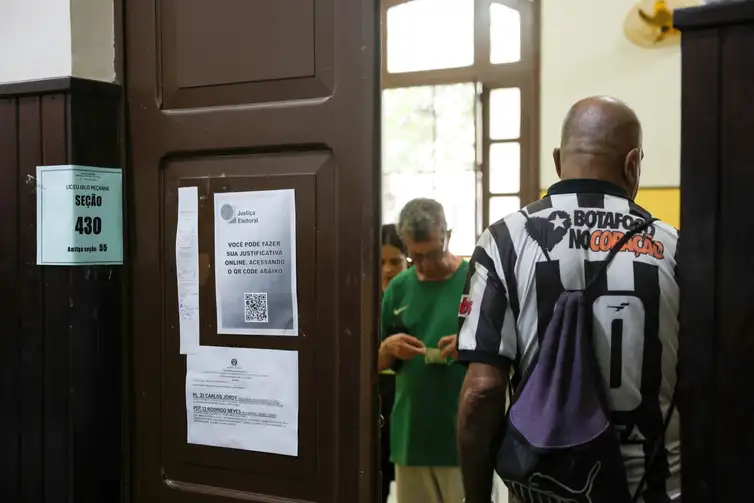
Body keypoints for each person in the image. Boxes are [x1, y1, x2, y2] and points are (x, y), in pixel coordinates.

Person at [456, 96, 680, 503]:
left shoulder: (505, 241)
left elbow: (482, 391)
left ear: (558, 160)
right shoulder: (675, 247)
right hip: (652, 485)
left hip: (543, 485)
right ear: (632, 164)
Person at [378, 198, 468, 503]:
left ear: (448, 236)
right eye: (415, 256)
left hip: (462, 440)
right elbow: (369, 365)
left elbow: (509, 352)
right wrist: (387, 349)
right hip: (411, 439)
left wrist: (472, 347)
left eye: (433, 253)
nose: (426, 265)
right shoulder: (397, 288)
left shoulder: (477, 282)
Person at [379, 224, 408, 503]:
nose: (388, 270)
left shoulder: (414, 296)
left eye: (395, 262)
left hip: (411, 408)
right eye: (381, 262)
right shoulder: (359, 301)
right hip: (376, 410)